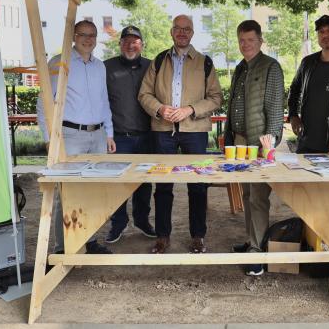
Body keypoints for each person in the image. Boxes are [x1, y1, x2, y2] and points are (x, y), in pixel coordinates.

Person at [138, 14, 222, 254]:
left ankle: (198, 236)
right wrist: (159, 109)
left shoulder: (205, 62)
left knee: (198, 185)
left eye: (187, 29)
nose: (182, 33)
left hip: (194, 131)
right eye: (178, 29)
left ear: (192, 33)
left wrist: (190, 110)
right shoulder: (158, 61)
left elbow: (216, 98)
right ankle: (162, 236)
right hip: (163, 131)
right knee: (163, 185)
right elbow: (144, 94)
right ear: (171, 32)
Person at [37, 19, 115, 255]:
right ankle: (64, 249)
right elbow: (44, 104)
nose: (88, 39)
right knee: (67, 192)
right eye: (83, 34)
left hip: (98, 135)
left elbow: (104, 102)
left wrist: (108, 133)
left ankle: (89, 242)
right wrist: (49, 138)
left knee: (93, 191)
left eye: (92, 35)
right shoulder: (58, 64)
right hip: (70, 135)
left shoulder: (99, 66)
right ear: (73, 35)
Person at [225, 20, 284, 276]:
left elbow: (274, 106)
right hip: (239, 141)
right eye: (241, 40)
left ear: (260, 41)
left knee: (259, 197)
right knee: (248, 195)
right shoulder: (240, 67)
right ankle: (252, 241)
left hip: (260, 143)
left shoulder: (271, 66)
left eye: (250, 40)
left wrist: (271, 140)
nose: (245, 44)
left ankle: (258, 253)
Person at [103, 25, 157, 243]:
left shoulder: (152, 67)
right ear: (120, 44)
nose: (130, 45)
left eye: (135, 41)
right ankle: (118, 223)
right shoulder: (106, 67)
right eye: (126, 41)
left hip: (147, 136)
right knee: (118, 184)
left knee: (144, 183)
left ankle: (142, 221)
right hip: (118, 137)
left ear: (142, 45)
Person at [288, 14, 329, 157]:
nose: (326, 35)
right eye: (321, 32)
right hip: (306, 143)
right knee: (302, 179)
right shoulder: (307, 63)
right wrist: (293, 115)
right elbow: (294, 90)